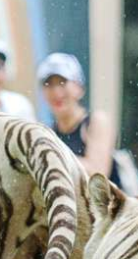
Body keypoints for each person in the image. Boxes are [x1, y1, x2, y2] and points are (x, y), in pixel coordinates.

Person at [37, 52, 126, 189]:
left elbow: (98, 173)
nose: (56, 92)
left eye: (62, 82)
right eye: (49, 84)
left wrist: (52, 158)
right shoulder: (48, 132)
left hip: (106, 207)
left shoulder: (96, 122)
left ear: (80, 88)